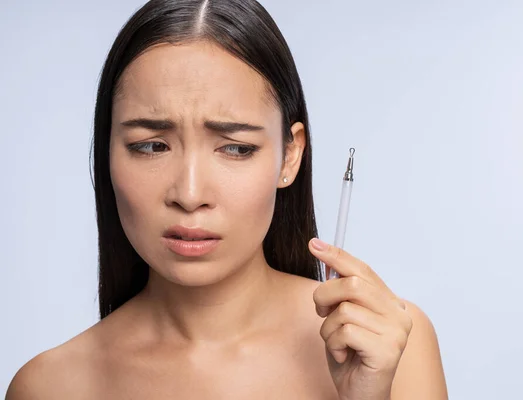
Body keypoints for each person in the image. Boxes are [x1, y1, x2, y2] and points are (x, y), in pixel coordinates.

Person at [6, 0, 448, 399]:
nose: (190, 194)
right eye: (151, 145)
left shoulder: (388, 348)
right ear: (107, 152)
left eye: (235, 148)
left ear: (289, 157)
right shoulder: (49, 386)